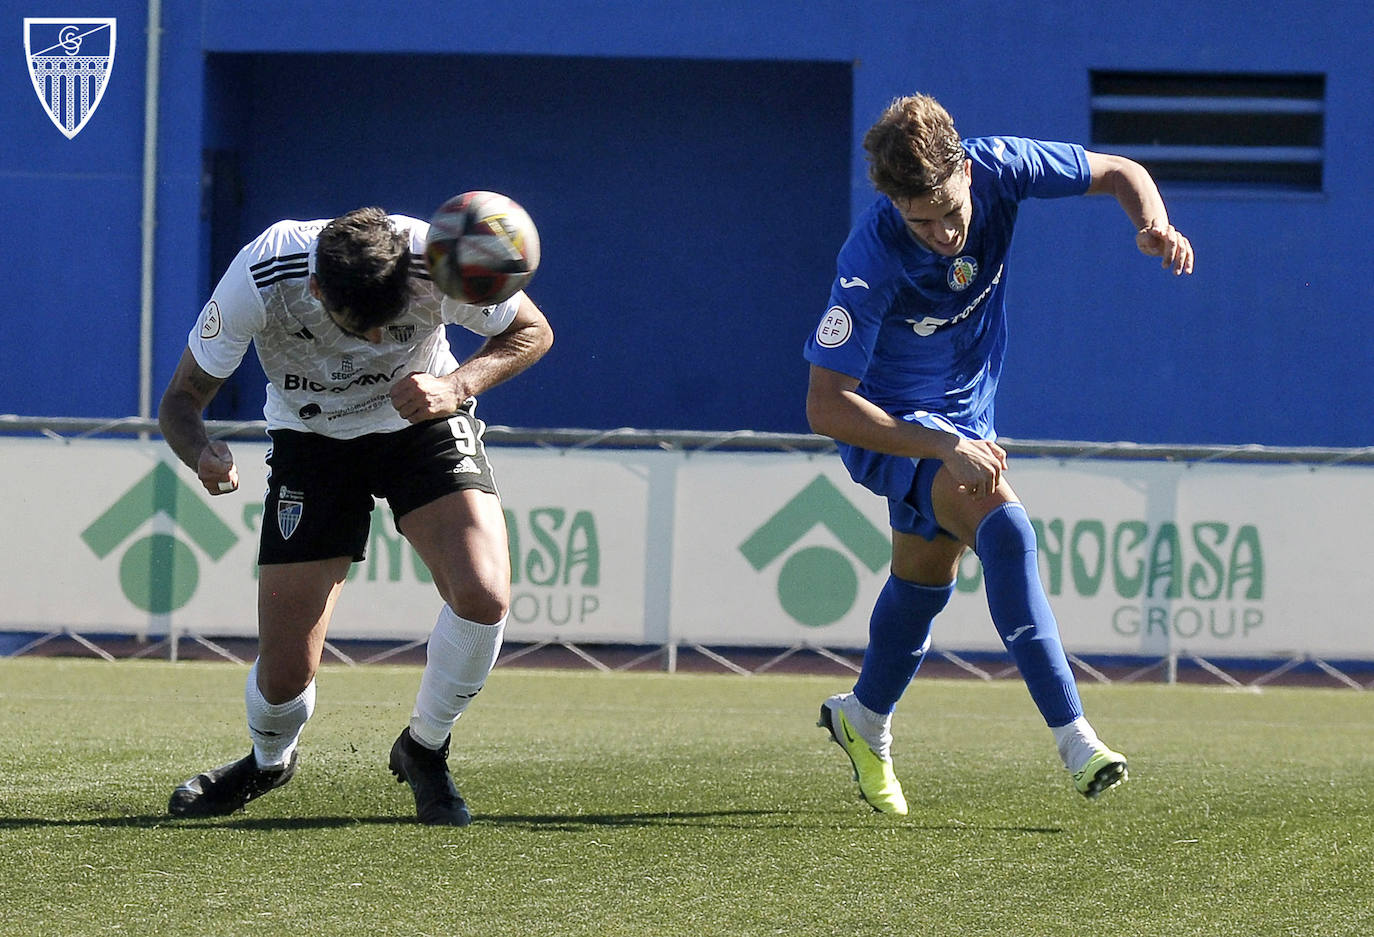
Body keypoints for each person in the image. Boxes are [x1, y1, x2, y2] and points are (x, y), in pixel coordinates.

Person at [806, 94, 1193, 815]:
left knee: (924, 581)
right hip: (896, 423)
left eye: (953, 210)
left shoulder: (1001, 165)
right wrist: (944, 443)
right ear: (892, 205)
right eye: (922, 221)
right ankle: (1077, 739)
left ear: (965, 172)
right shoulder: (869, 259)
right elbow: (826, 405)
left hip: (967, 415)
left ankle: (863, 718)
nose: (946, 232)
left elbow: (1119, 171)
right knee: (1007, 530)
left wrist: (1152, 224)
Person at [158, 205, 553, 825]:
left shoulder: (435, 257)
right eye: (359, 325)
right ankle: (268, 760)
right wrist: (200, 452)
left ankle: (425, 748)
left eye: (389, 322)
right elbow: (180, 401)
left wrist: (455, 387)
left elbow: (532, 332)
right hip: (311, 443)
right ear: (316, 288)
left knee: (484, 594)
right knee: (286, 674)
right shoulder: (265, 273)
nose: (376, 341)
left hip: (422, 424)